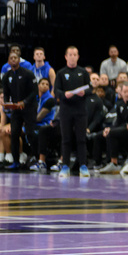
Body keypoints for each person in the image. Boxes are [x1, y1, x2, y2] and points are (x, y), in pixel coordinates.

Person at [53, 46, 91, 178]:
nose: (73, 57)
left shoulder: (83, 72)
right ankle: (65, 166)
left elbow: (90, 88)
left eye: (75, 54)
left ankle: (83, 166)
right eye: (70, 54)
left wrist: (84, 92)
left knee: (81, 139)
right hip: (66, 110)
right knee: (66, 139)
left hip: (80, 110)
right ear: (66, 56)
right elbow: (56, 90)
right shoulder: (61, 73)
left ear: (78, 56)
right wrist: (64, 94)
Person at [1, 52, 36, 170]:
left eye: (15, 58)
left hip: (29, 108)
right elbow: (6, 93)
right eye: (11, 58)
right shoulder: (7, 76)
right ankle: (16, 161)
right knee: (14, 133)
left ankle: (36, 158)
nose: (13, 60)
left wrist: (24, 102)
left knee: (31, 133)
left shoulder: (28, 74)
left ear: (19, 60)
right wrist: (6, 104)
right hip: (16, 109)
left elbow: (34, 92)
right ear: (8, 61)